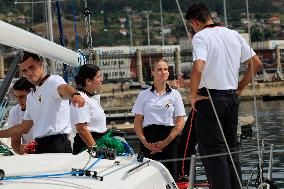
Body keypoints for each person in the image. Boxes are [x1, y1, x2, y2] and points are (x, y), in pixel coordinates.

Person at [185, 3, 262, 189]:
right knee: (231, 150)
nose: (191, 29)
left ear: (195, 22)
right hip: (231, 99)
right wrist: (239, 88)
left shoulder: (200, 37)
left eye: (191, 26)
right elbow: (256, 63)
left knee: (213, 152)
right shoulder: (233, 34)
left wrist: (193, 96)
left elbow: (197, 68)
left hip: (210, 100)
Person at [0, 51, 85, 153]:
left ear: (40, 64)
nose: (29, 73)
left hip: (57, 143)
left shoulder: (53, 81)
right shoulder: (31, 96)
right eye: (25, 70)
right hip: (40, 145)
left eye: (32, 67)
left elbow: (63, 88)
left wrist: (74, 95)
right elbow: (23, 128)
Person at [132, 58, 186, 181]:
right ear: (153, 72)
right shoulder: (143, 95)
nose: (163, 72)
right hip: (149, 140)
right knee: (148, 177)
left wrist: (165, 142)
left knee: (171, 177)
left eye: (166, 69)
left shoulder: (175, 95)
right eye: (159, 69)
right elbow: (137, 123)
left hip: (170, 140)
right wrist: (145, 143)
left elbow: (180, 122)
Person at [70, 64, 107, 155]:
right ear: (88, 81)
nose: (101, 79)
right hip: (87, 146)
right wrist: (96, 150)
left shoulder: (91, 98)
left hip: (97, 142)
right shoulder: (82, 99)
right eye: (98, 77)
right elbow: (81, 128)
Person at [8, 77, 35, 154]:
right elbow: (15, 142)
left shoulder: (46, 108)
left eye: (22, 97)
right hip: (30, 154)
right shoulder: (14, 113)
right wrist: (20, 149)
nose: (18, 101)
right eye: (16, 97)